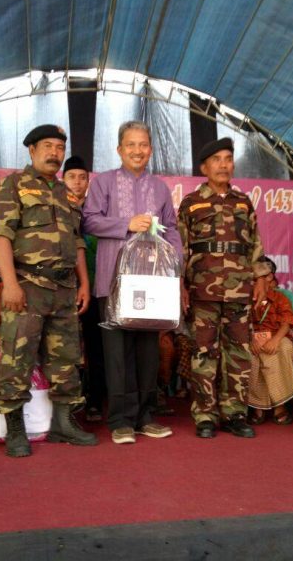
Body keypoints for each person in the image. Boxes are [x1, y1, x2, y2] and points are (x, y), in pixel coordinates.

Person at [0, 124, 96, 457]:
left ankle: (63, 424)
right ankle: (15, 430)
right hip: (27, 285)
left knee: (66, 359)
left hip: (64, 289)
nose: (54, 153)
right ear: (32, 150)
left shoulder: (66, 194)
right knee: (17, 358)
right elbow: (1, 235)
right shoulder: (13, 185)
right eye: (47, 146)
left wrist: (84, 283)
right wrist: (10, 284)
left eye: (60, 147)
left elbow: (78, 242)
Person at [82, 120, 179, 444]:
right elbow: (89, 220)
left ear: (150, 149)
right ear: (119, 149)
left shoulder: (160, 188)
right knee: (116, 354)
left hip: (151, 283)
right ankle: (120, 420)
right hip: (112, 281)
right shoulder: (103, 183)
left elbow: (171, 228)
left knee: (148, 353)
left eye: (143, 145)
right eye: (131, 144)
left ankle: (146, 416)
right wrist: (127, 223)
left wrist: (175, 263)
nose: (138, 150)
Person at [177, 137, 270, 439]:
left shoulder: (243, 202)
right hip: (202, 289)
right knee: (204, 353)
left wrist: (260, 278)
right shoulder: (191, 203)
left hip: (240, 289)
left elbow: (255, 244)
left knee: (238, 353)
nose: (223, 165)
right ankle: (205, 415)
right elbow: (181, 248)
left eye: (228, 159)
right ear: (204, 167)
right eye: (216, 160)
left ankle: (234, 413)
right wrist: (180, 285)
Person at [63, 155, 106, 422]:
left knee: (95, 346)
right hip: (61, 289)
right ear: (63, 179)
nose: (77, 182)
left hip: (93, 289)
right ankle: (66, 402)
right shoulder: (55, 207)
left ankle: (95, 400)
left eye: (82, 177)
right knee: (64, 348)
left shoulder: (96, 211)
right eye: (72, 177)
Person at [248, 258, 293, 425]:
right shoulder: (246, 298)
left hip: (278, 337)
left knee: (282, 348)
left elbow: (287, 323)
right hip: (253, 339)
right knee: (250, 354)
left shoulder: (280, 298)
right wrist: (251, 340)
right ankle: (258, 405)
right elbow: (241, 324)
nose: (254, 282)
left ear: (269, 277)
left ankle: (280, 405)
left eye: (257, 278)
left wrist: (275, 340)